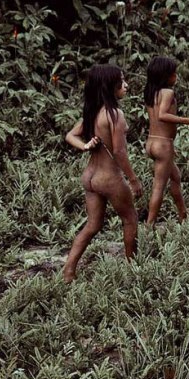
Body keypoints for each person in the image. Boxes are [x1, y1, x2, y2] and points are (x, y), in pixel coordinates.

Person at [63, 65, 142, 282]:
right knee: (130, 219)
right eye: (122, 81)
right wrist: (133, 179)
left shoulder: (93, 112)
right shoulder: (114, 114)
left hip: (90, 177)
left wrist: (85, 146)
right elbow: (119, 150)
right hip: (109, 178)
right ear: (110, 86)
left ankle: (68, 270)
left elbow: (70, 135)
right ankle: (131, 269)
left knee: (92, 225)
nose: (126, 85)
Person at [144, 56, 189, 225]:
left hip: (152, 142)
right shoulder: (168, 93)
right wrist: (188, 120)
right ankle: (149, 224)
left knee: (175, 177)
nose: (176, 76)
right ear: (166, 76)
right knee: (158, 186)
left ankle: (183, 213)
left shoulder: (151, 93)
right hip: (163, 144)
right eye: (174, 73)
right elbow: (162, 115)